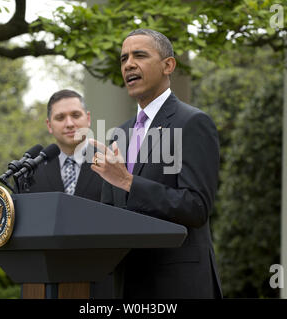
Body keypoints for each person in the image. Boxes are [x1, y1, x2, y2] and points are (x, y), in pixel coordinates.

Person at [90, 29, 223, 298]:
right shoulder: (119, 134)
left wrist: (128, 182)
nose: (129, 64)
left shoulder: (193, 123)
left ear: (168, 65)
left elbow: (196, 207)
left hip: (177, 284)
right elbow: (109, 214)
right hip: (127, 285)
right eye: (124, 58)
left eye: (140, 55)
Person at [20, 89, 113, 298]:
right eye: (60, 118)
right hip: (44, 284)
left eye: (76, 115)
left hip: (102, 284)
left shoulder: (111, 163)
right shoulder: (32, 171)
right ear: (49, 125)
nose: (69, 123)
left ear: (87, 119)